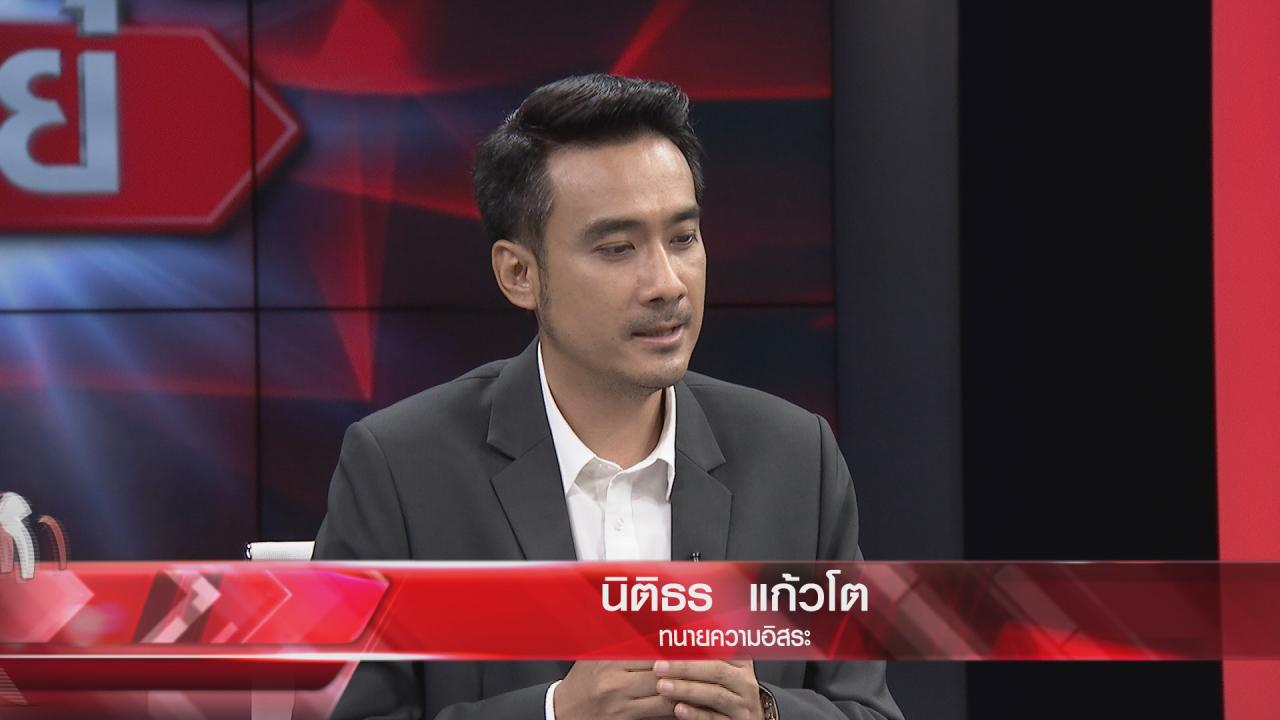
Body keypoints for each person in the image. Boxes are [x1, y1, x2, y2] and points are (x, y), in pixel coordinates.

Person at [314, 74, 903, 720]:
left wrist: (764, 711)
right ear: (519, 273)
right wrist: (556, 713)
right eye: (618, 248)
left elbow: (868, 710)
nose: (667, 284)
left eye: (683, 238)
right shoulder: (400, 470)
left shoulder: (795, 459)